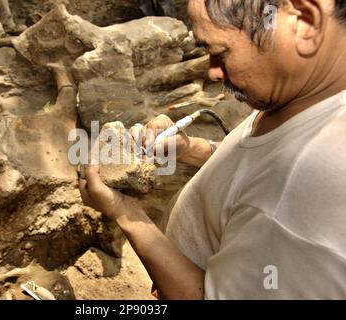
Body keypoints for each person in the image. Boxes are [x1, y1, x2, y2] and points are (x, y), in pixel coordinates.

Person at [79, 0, 346, 299]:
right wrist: (190, 149)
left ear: (304, 22)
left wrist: (124, 211)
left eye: (219, 53)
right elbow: (259, 169)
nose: (213, 73)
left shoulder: (305, 193)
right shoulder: (308, 90)